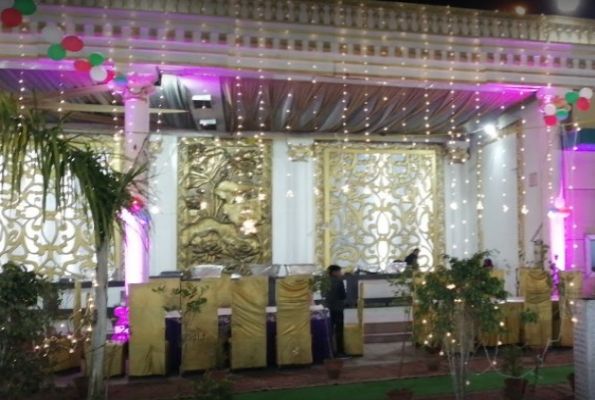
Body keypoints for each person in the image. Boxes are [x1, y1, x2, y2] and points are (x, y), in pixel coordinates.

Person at [325, 264, 350, 359]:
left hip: (328, 307)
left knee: (329, 329)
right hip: (337, 308)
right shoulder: (339, 281)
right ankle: (340, 352)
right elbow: (343, 295)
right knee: (339, 330)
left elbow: (323, 294)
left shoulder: (325, 281)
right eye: (339, 271)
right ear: (334, 272)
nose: (341, 273)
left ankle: (329, 351)